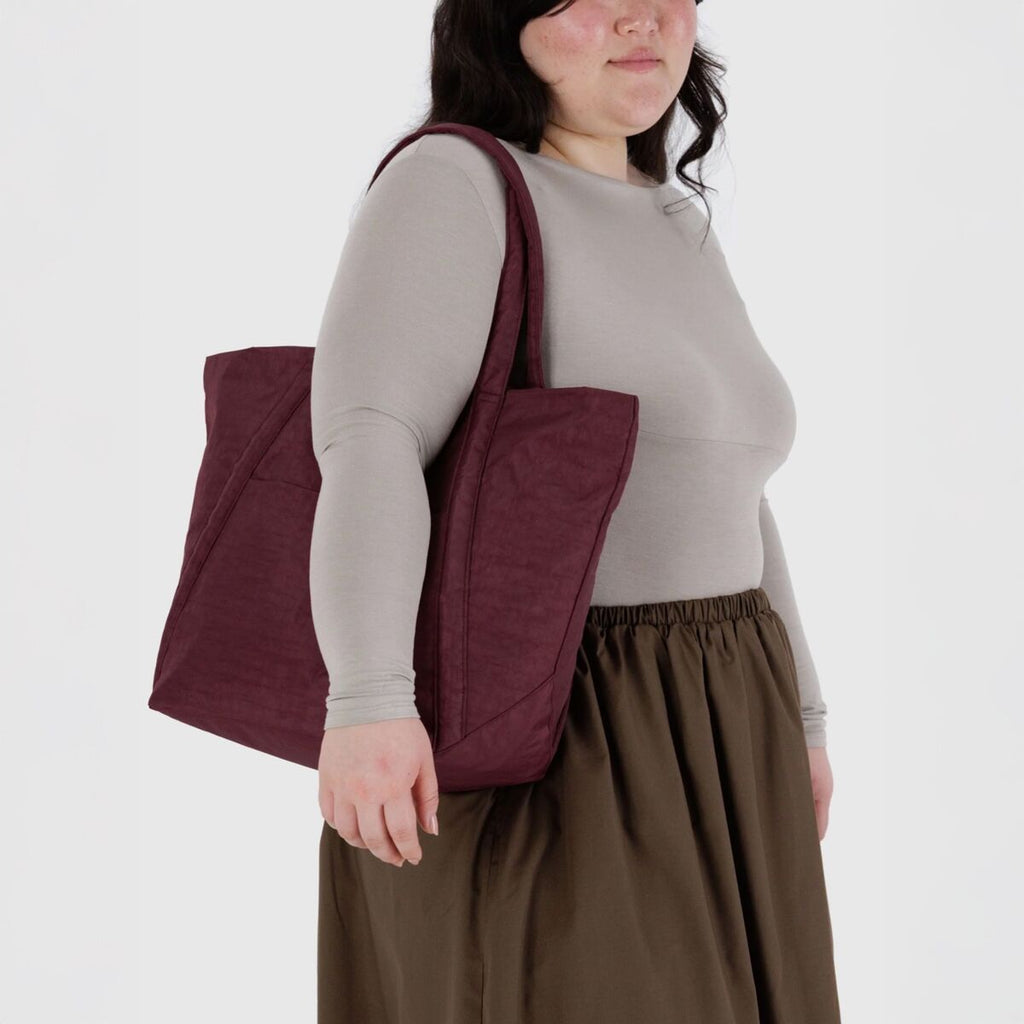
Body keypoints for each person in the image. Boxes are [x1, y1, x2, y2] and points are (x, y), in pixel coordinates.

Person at [309, 0, 842, 1020]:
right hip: (562, 724)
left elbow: (735, 485)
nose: (640, 17)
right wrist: (367, 699)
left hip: (729, 713)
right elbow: (371, 437)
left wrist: (800, 719)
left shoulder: (672, 216)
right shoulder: (453, 181)